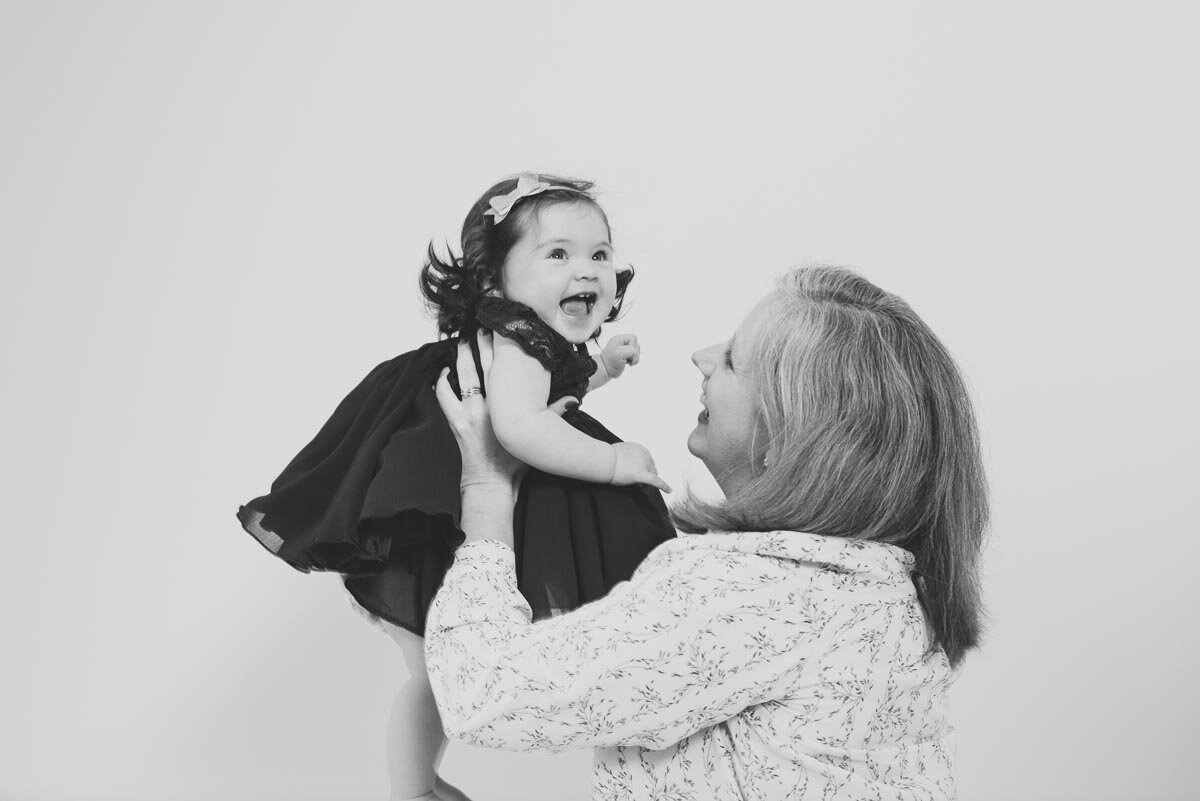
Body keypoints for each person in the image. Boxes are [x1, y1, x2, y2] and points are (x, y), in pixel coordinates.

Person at [426, 266, 988, 800]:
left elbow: (483, 693)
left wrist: (486, 489)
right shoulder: (885, 586)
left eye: (735, 361)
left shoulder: (751, 597)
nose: (701, 357)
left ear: (790, 433)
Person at [236, 173, 675, 801]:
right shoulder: (521, 344)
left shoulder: (531, 340)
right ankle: (413, 792)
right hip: (435, 494)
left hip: (427, 490)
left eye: (599, 255)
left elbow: (555, 395)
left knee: (433, 669)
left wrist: (601, 368)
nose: (587, 270)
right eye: (558, 253)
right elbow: (521, 427)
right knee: (434, 672)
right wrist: (611, 463)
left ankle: (416, 787)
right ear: (496, 282)